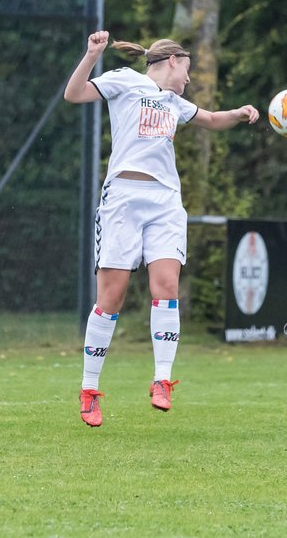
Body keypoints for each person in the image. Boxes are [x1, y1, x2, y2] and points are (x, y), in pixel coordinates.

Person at [64, 31, 260, 428]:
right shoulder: (124, 80)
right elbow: (74, 94)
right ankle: (88, 390)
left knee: (166, 286)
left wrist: (239, 114)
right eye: (187, 70)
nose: (188, 80)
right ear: (172, 61)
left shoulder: (174, 102)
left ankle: (162, 381)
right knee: (112, 298)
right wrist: (90, 55)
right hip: (122, 199)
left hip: (166, 202)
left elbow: (209, 119)